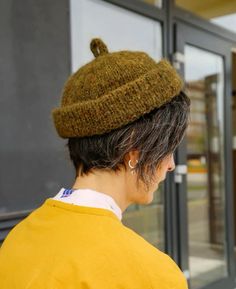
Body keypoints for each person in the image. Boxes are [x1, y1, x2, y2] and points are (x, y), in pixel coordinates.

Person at [0, 38, 190, 289]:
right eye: (167, 149)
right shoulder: (155, 276)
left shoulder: (16, 241)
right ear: (134, 152)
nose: (171, 165)